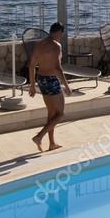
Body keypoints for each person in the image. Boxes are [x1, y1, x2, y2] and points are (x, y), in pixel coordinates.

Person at [28, 22, 71, 151]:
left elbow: (31, 65)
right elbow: (58, 68)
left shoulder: (40, 45)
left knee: (51, 114)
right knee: (60, 114)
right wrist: (66, 85)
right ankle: (39, 137)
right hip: (52, 80)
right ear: (58, 32)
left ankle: (52, 143)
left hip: (41, 79)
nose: (61, 37)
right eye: (61, 34)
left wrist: (32, 85)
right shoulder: (56, 46)